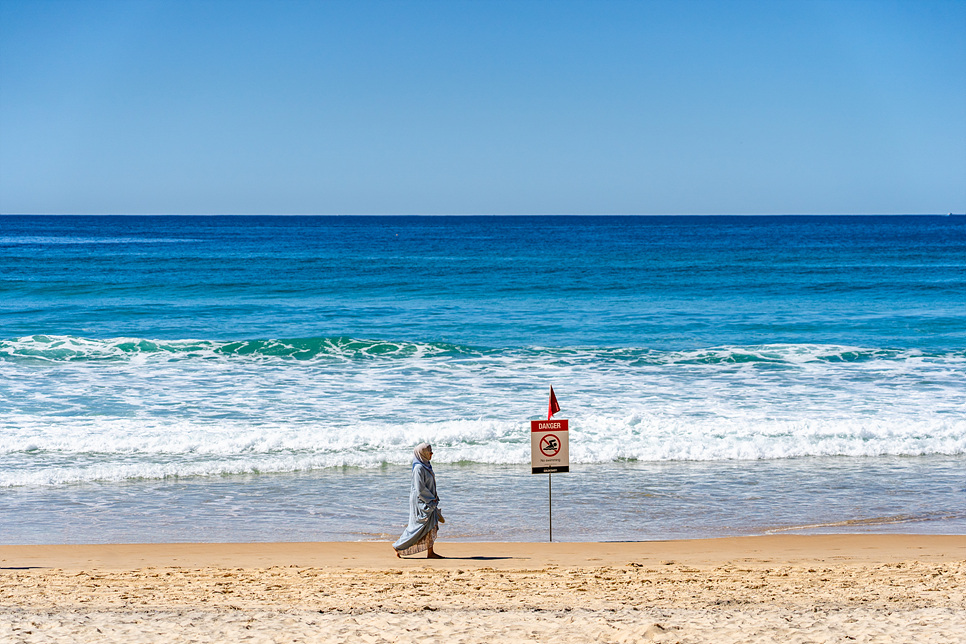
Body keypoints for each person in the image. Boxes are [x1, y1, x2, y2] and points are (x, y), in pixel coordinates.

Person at [393, 442, 445, 558]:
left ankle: (430, 553)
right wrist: (431, 499)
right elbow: (420, 488)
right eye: (429, 452)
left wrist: (434, 498)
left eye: (431, 452)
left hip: (430, 500)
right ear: (423, 453)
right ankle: (398, 546)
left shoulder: (426, 465)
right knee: (418, 527)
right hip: (422, 501)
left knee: (431, 526)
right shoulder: (419, 468)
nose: (431, 454)